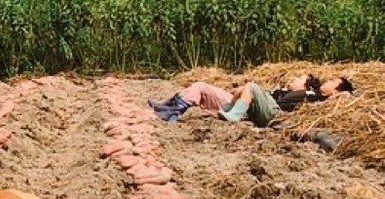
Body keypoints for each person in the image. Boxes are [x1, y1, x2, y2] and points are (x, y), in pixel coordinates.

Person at [149, 74, 353, 125]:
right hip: (256, 104)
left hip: (270, 111)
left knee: (252, 86)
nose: (293, 79)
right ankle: (170, 108)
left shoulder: (317, 98)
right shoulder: (283, 91)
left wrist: (342, 93)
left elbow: (347, 98)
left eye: (334, 81)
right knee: (201, 86)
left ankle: (233, 113)